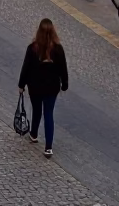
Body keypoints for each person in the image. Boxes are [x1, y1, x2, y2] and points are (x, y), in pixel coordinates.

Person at [18, 18, 69, 156]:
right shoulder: (58, 49)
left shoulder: (32, 48)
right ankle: (48, 147)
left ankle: (33, 134)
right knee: (48, 114)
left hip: (35, 86)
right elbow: (63, 69)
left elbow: (26, 68)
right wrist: (64, 85)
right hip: (51, 88)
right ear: (53, 31)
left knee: (36, 110)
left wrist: (21, 85)